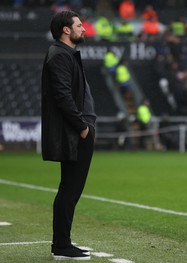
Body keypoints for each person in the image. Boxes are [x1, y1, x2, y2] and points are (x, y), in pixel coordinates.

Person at [41, 10, 95, 260]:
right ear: (66, 30)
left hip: (78, 130)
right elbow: (63, 95)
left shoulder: (66, 54)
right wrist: (82, 127)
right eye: (79, 25)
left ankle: (61, 244)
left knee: (70, 189)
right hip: (75, 133)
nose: (84, 29)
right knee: (70, 190)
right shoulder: (59, 55)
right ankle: (61, 246)